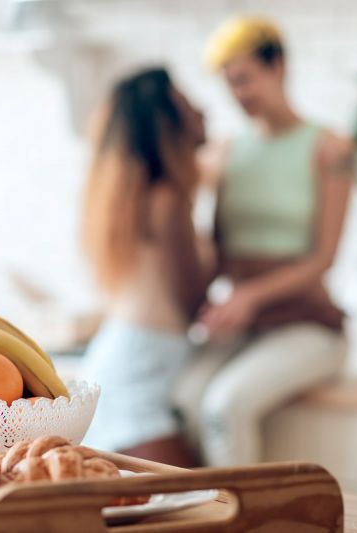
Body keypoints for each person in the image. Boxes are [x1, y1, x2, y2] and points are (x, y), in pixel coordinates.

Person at [175, 16, 355, 466]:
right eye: (228, 84)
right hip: (243, 326)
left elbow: (323, 258)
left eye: (245, 79)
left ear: (279, 67)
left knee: (224, 406)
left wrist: (250, 296)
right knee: (184, 397)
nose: (238, 95)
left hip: (308, 323)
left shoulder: (331, 149)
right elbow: (216, 250)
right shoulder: (224, 153)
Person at [80, 68, 210, 467]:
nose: (201, 111)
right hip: (140, 373)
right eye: (187, 104)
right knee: (196, 508)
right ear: (167, 123)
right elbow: (194, 300)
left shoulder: (134, 196)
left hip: (128, 359)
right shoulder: (169, 200)